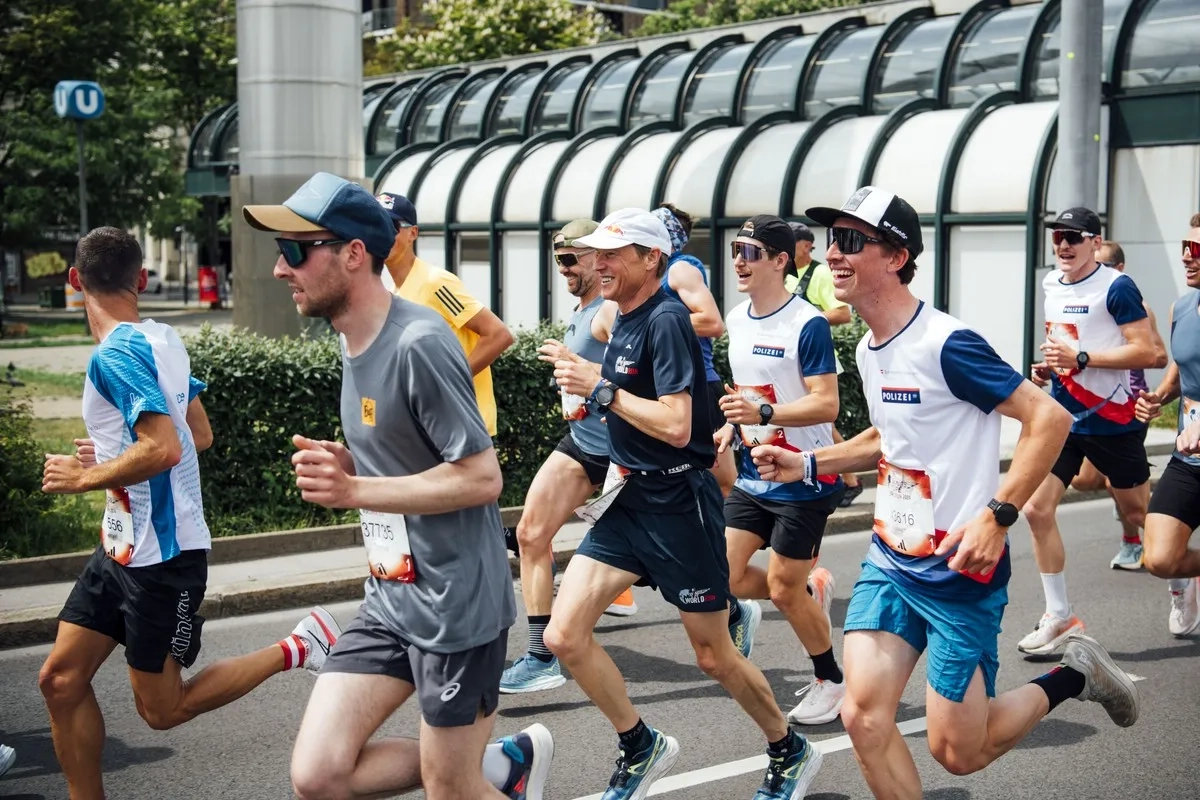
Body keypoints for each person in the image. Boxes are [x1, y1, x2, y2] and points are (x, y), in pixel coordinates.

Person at [751, 186, 1140, 799]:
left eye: (851, 241)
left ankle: (1075, 675)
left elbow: (1049, 420)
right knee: (862, 716)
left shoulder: (948, 343)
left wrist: (997, 515)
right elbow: (890, 438)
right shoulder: (868, 348)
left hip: (961, 569)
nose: (833, 255)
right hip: (891, 559)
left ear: (898, 255)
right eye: (832, 241)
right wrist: (807, 462)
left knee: (959, 752)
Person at [248, 172, 552, 800]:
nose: (282, 269)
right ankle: (494, 766)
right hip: (390, 599)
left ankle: (483, 771)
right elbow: (406, 455)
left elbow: (480, 477)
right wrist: (357, 464)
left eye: (295, 250)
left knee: (450, 789)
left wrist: (355, 491)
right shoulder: (353, 337)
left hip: (455, 609)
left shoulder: (418, 341)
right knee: (318, 775)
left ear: (352, 254)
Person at [37, 227, 340, 800]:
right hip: (121, 549)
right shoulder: (161, 340)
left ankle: (300, 646)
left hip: (162, 561)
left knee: (163, 709)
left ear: (75, 281)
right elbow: (197, 432)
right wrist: (109, 456)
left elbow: (165, 448)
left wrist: (85, 477)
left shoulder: (114, 356)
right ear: (142, 281)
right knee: (59, 679)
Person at [546, 207, 823, 800]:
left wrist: (599, 389)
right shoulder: (619, 315)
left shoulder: (668, 320)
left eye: (612, 254)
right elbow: (622, 388)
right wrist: (589, 381)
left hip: (678, 500)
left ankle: (787, 747)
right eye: (593, 253)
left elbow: (676, 425)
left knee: (713, 657)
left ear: (652, 259)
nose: (598, 264)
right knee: (563, 637)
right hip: (629, 501)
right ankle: (640, 744)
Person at [717, 215, 847, 726]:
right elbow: (748, 389)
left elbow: (827, 404)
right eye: (736, 250)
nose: (739, 261)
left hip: (802, 475)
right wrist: (733, 425)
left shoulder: (807, 323)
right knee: (722, 573)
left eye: (751, 252)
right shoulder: (737, 316)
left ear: (780, 260)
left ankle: (830, 679)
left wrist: (764, 414)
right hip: (754, 471)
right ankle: (813, 592)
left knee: (782, 588)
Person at [1022, 207, 1162, 655]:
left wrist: (1082, 359)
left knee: (1141, 517)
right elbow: (1066, 344)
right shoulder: (1049, 283)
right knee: (1036, 510)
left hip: (1112, 420)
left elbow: (1151, 354)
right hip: (1062, 418)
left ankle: (1182, 578)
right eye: (1057, 236)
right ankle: (1059, 615)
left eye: (1072, 237)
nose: (1062, 244)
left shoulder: (1116, 287)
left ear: (1094, 244)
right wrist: (1050, 369)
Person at [499, 219, 630, 694]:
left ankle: (733, 609)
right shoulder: (580, 309)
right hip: (582, 443)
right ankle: (540, 656)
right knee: (532, 534)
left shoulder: (608, 312)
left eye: (572, 259)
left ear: (598, 258)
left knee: (666, 566)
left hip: (625, 455)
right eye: (559, 261)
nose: (564, 269)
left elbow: (641, 375)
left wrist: (581, 369)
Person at [377, 191, 514, 437]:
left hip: (461, 425)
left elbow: (499, 335)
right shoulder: (392, 290)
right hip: (431, 426)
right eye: (376, 225)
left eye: (392, 226)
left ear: (413, 233)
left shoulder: (434, 282)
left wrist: (448, 381)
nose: (382, 233)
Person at [1070, 240, 1168, 569]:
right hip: (1091, 406)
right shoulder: (1085, 306)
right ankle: (1131, 502)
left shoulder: (1136, 306)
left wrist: (1105, 358)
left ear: (1119, 270)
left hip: (1129, 406)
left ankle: (1136, 542)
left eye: (1103, 267)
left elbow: (1158, 356)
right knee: (1084, 481)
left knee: (1117, 484)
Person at [1135, 213, 1200, 637]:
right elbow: (1181, 369)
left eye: (1195, 250)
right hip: (1189, 458)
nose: (1185, 256)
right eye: (1184, 246)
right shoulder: (1183, 305)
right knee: (1158, 558)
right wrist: (1160, 396)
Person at [651, 203, 735, 498]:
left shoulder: (680, 269)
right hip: (669, 384)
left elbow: (713, 322)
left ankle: (726, 540)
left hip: (700, 384)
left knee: (722, 480)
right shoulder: (653, 274)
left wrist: (655, 322)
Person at [785, 221, 863, 507]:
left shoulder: (819, 273)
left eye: (790, 243)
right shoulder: (786, 275)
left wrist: (802, 321)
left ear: (807, 246)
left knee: (821, 422)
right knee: (817, 423)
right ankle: (844, 478)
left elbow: (844, 314)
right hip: (790, 361)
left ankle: (848, 479)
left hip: (817, 360)